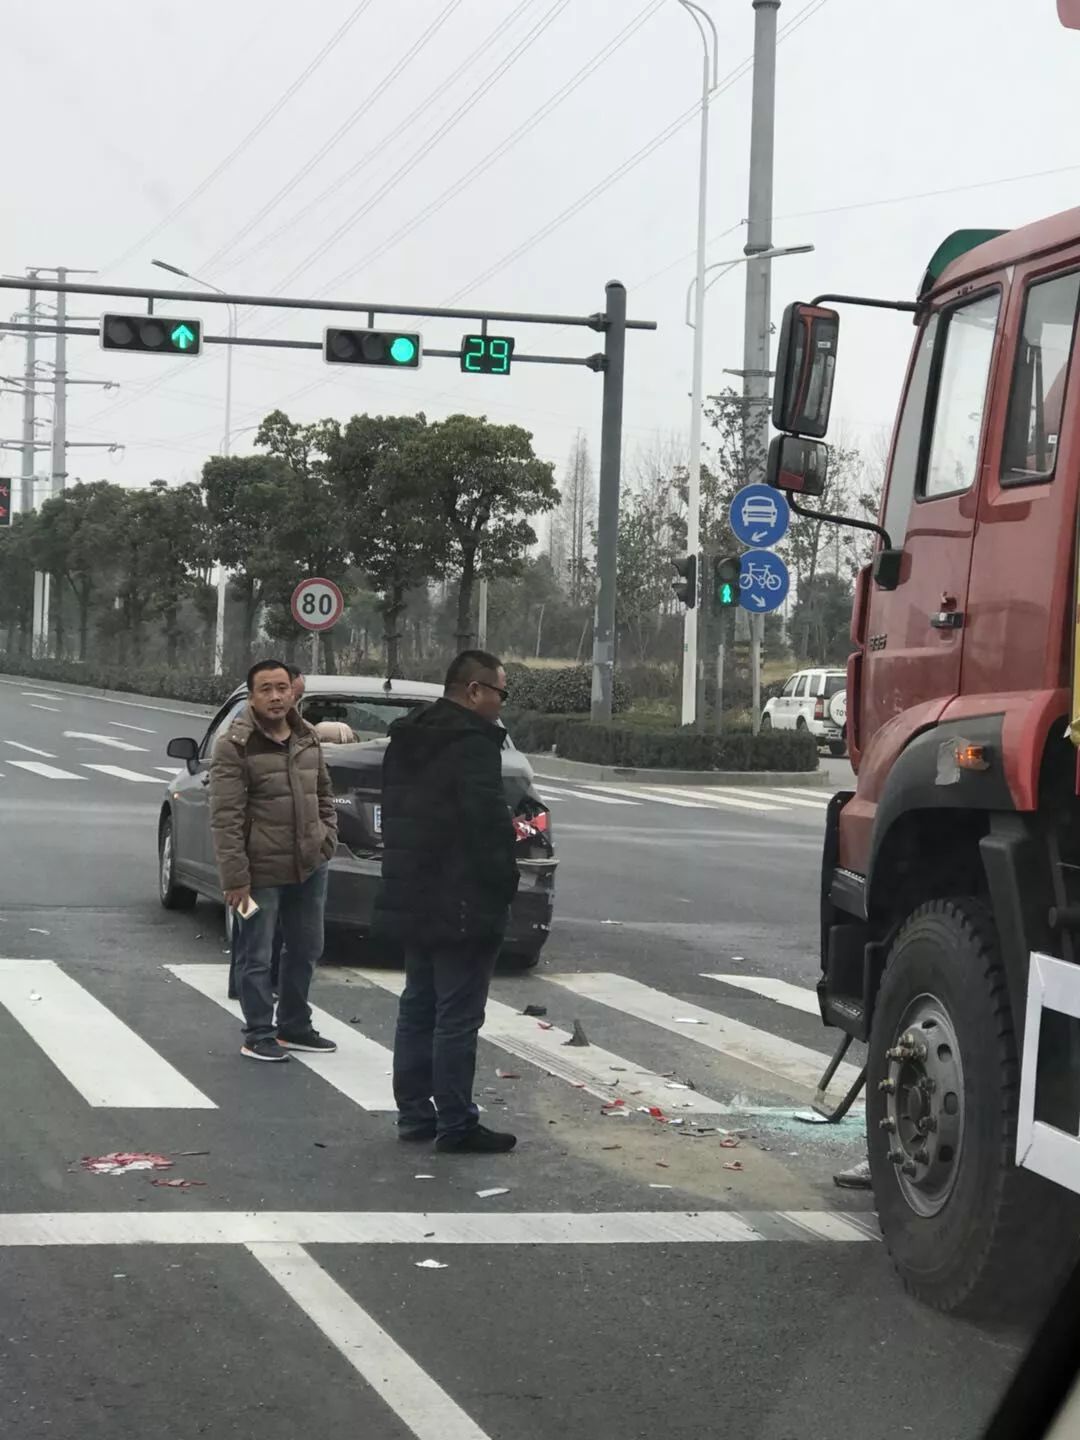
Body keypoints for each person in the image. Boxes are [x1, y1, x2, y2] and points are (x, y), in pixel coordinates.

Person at [375, 649, 519, 1153]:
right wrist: (504, 885)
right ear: (475, 691)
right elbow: (487, 827)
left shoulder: (409, 737)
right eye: (501, 692)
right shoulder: (472, 744)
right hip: (462, 898)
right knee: (457, 1015)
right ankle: (456, 1122)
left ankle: (415, 1114)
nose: (503, 704)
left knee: (418, 1005)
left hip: (414, 891)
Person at [210, 658, 338, 1062]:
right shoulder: (234, 745)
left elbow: (324, 796)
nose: (276, 696)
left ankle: (295, 1025)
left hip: (309, 865)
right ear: (252, 696)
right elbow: (226, 817)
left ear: (293, 691)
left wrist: (326, 839)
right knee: (256, 953)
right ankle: (259, 1032)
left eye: (282, 687)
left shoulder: (307, 738)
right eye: (266, 688)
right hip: (257, 875)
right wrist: (235, 879)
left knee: (306, 948)